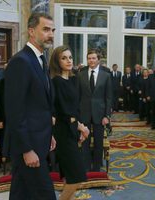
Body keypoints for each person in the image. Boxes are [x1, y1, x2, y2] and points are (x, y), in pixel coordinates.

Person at [4, 12, 56, 200]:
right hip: (28, 146)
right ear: (31, 31)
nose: (51, 34)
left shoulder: (40, 60)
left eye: (52, 30)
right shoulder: (21, 61)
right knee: (46, 195)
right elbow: (14, 111)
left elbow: (39, 105)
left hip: (39, 140)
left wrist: (48, 133)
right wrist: (26, 149)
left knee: (21, 193)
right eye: (46, 29)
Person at [50, 45, 89, 200]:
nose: (68, 61)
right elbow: (63, 113)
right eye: (64, 58)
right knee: (77, 176)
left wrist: (80, 128)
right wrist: (81, 127)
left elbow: (76, 109)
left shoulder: (73, 79)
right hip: (63, 132)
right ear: (57, 61)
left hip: (72, 130)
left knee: (69, 176)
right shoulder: (56, 81)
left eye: (70, 57)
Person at [78, 49, 112, 171]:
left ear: (98, 60)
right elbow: (78, 96)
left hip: (100, 114)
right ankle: (86, 166)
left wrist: (107, 116)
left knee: (98, 143)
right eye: (89, 58)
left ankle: (97, 167)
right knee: (84, 142)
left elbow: (108, 98)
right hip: (84, 113)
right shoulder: (80, 74)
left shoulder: (106, 76)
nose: (91, 60)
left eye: (93, 58)